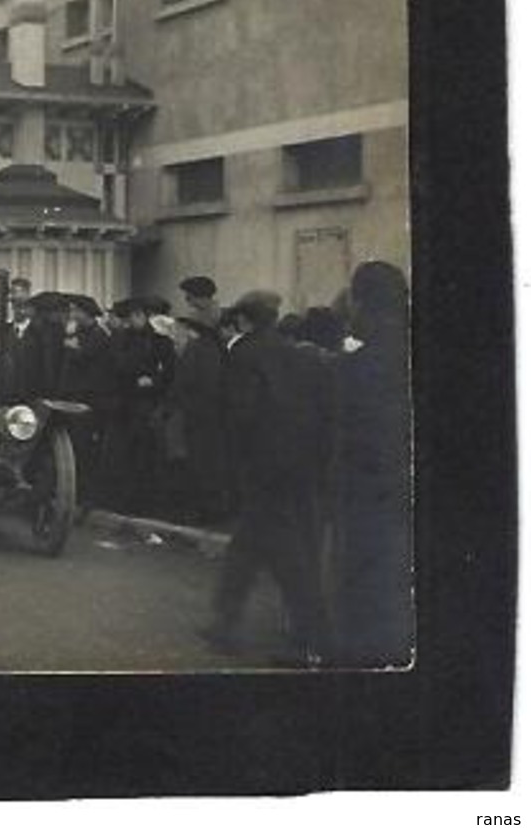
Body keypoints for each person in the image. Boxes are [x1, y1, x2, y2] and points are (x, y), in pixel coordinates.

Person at [200, 290, 333, 665]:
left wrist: (233, 466)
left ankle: (312, 636)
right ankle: (224, 621)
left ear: (243, 321)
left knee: (285, 556)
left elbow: (238, 416)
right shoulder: (297, 353)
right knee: (248, 545)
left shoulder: (241, 354)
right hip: (297, 466)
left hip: (262, 468)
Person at [331, 261, 413, 667]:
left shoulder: (365, 363)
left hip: (371, 490)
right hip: (400, 487)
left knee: (369, 574)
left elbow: (348, 433)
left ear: (365, 303)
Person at [111, 298, 176, 517]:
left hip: (146, 404)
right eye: (128, 318)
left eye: (134, 317)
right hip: (125, 403)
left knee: (146, 454)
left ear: (143, 316)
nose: (130, 322)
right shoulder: (122, 339)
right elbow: (116, 366)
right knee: (124, 454)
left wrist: (154, 381)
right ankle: (126, 501)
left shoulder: (160, 342)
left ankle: (147, 504)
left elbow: (170, 374)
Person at [168, 312, 230, 525]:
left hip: (193, 415)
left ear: (191, 329)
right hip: (211, 416)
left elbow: (183, 383)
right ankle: (212, 510)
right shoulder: (216, 349)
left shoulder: (194, 349)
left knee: (193, 465)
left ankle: (195, 513)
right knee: (209, 465)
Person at [58, 294, 116, 512]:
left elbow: (90, 364)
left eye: (76, 311)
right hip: (72, 399)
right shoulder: (77, 334)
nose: (72, 315)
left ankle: (87, 497)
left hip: (88, 401)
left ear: (86, 313)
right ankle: (74, 494)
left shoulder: (99, 336)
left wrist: (74, 348)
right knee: (72, 448)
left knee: (86, 451)